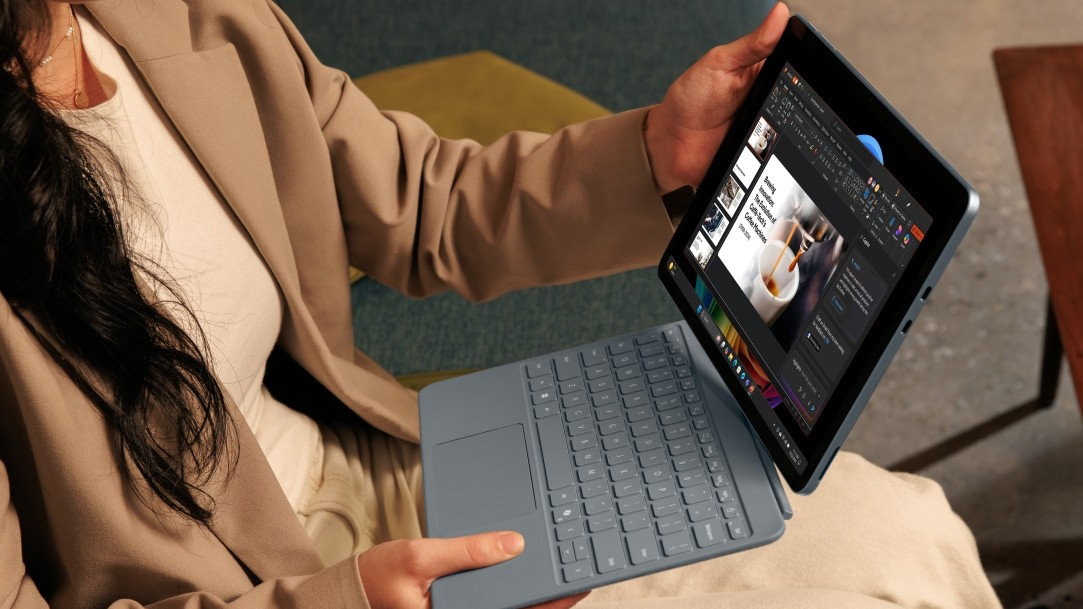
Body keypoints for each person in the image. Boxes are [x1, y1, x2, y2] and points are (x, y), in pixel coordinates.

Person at [0, 1, 1000, 608]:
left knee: (905, 528)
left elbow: (421, 202)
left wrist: (658, 147)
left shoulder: (178, 14)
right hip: (271, 595)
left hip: (369, 468)